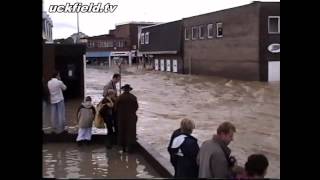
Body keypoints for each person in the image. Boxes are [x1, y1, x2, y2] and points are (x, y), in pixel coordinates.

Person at [116, 84, 138, 152]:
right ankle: (130, 148)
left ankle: (123, 148)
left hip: (122, 118)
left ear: (123, 90)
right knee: (130, 133)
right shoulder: (133, 97)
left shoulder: (120, 97)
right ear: (129, 90)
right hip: (131, 118)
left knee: (122, 132)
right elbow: (136, 107)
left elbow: (115, 108)